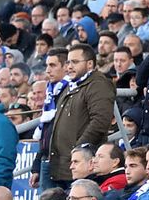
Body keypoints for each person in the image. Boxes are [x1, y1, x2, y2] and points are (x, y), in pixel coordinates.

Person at [45, 43, 116, 190]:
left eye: (75, 62)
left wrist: (78, 151)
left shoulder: (98, 84)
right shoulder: (71, 86)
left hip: (80, 168)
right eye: (68, 62)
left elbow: (100, 121)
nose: (69, 67)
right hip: (63, 167)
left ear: (90, 64)